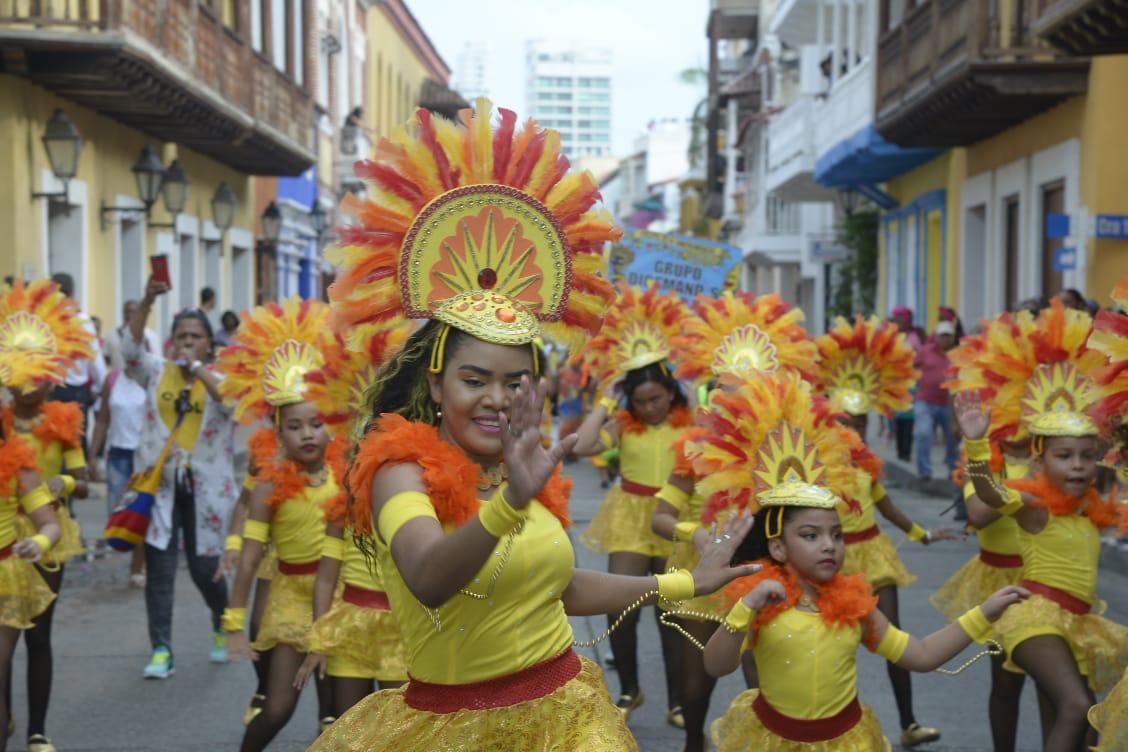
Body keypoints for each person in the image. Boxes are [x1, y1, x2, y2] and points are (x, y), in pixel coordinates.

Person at [309, 98, 760, 751]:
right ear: (435, 383)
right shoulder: (398, 469)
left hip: (566, 719)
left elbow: (560, 585)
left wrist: (689, 579)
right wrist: (510, 504)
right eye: (475, 380)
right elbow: (429, 577)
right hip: (450, 727)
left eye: (514, 381)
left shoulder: (519, 468)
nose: (497, 398)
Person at [696, 399, 1029, 750]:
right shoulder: (761, 602)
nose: (829, 546)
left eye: (836, 535)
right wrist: (744, 607)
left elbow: (922, 654)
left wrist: (985, 613)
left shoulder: (855, 606)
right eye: (811, 536)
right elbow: (716, 665)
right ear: (778, 548)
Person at [649, 289, 819, 752]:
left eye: (746, 395)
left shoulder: (785, 449)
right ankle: (693, 744)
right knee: (695, 688)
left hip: (764, 571)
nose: (735, 404)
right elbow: (660, 518)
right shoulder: (695, 448)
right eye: (726, 393)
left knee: (762, 681)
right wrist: (697, 532)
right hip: (703, 575)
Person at [954, 363, 1127, 751]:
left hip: (1076, 622)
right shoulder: (1034, 507)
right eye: (1065, 456)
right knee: (1077, 705)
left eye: (1086, 456)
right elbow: (989, 496)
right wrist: (977, 446)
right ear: (1040, 463)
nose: (1078, 465)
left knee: (1084, 729)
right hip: (1034, 618)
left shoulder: (1090, 511)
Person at [815, 314, 954, 747]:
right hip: (830, 561)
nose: (852, 430)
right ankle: (831, 726)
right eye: (844, 422)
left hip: (873, 553)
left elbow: (886, 506)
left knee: (893, 636)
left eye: (858, 423)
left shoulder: (868, 465)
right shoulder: (815, 466)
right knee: (834, 646)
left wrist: (922, 535)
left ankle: (908, 722)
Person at [217, 297, 346, 750]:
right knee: (277, 707)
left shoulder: (344, 471)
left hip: (340, 598)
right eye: (295, 426)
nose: (308, 434)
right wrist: (233, 623)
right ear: (278, 430)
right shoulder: (268, 486)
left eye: (316, 423)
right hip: (290, 600)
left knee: (336, 715)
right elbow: (251, 559)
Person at [571, 281, 695, 727]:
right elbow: (583, 446)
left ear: (671, 392)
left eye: (656, 399)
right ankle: (629, 689)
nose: (649, 409)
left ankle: (679, 701)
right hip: (628, 514)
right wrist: (606, 398)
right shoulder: (624, 426)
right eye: (639, 402)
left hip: (673, 519)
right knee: (618, 606)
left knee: (672, 614)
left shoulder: (691, 427)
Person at [0, 278, 95, 752]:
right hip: (3, 533)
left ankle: (37, 730)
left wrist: (65, 483)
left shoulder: (62, 417)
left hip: (45, 533)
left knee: (38, 635)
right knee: (3, 642)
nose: (30, 381)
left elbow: (85, 475)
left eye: (40, 369)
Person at [125, 278, 236, 679]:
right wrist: (148, 300)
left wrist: (198, 369)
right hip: (162, 487)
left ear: (209, 343)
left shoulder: (222, 376)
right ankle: (161, 648)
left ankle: (221, 620)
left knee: (205, 568)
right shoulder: (157, 372)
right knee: (159, 566)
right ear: (171, 342)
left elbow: (231, 400)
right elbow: (130, 352)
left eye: (196, 336)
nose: (188, 342)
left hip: (207, 490)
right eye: (182, 336)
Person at [0, 405, 61, 752]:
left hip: (4, 578)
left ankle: (35, 731)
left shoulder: (17, 462)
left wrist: (37, 543)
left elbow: (49, 524)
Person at [89, 362, 148, 588]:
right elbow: (103, 419)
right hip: (117, 455)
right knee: (118, 512)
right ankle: (139, 557)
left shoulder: (151, 375)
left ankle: (138, 567)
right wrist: (92, 455)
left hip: (144, 455)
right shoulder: (112, 378)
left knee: (139, 511)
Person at [47, 272, 105, 454]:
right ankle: (76, 477)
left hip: (52, 388)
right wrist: (103, 385)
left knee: (54, 437)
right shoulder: (81, 319)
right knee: (75, 439)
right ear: (72, 292)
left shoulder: (46, 318)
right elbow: (94, 356)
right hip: (77, 391)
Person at [913, 320, 959, 482]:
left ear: (953, 337)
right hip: (925, 400)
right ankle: (924, 470)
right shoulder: (925, 351)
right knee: (923, 432)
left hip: (950, 404)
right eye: (942, 336)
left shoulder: (959, 354)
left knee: (953, 437)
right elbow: (911, 365)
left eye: (948, 336)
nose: (945, 339)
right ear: (936, 337)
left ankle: (953, 470)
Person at [103, 300, 160, 372]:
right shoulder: (111, 334)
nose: (129, 315)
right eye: (126, 311)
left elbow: (156, 360)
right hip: (118, 380)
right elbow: (106, 360)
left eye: (133, 312)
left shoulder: (150, 335)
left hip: (140, 381)